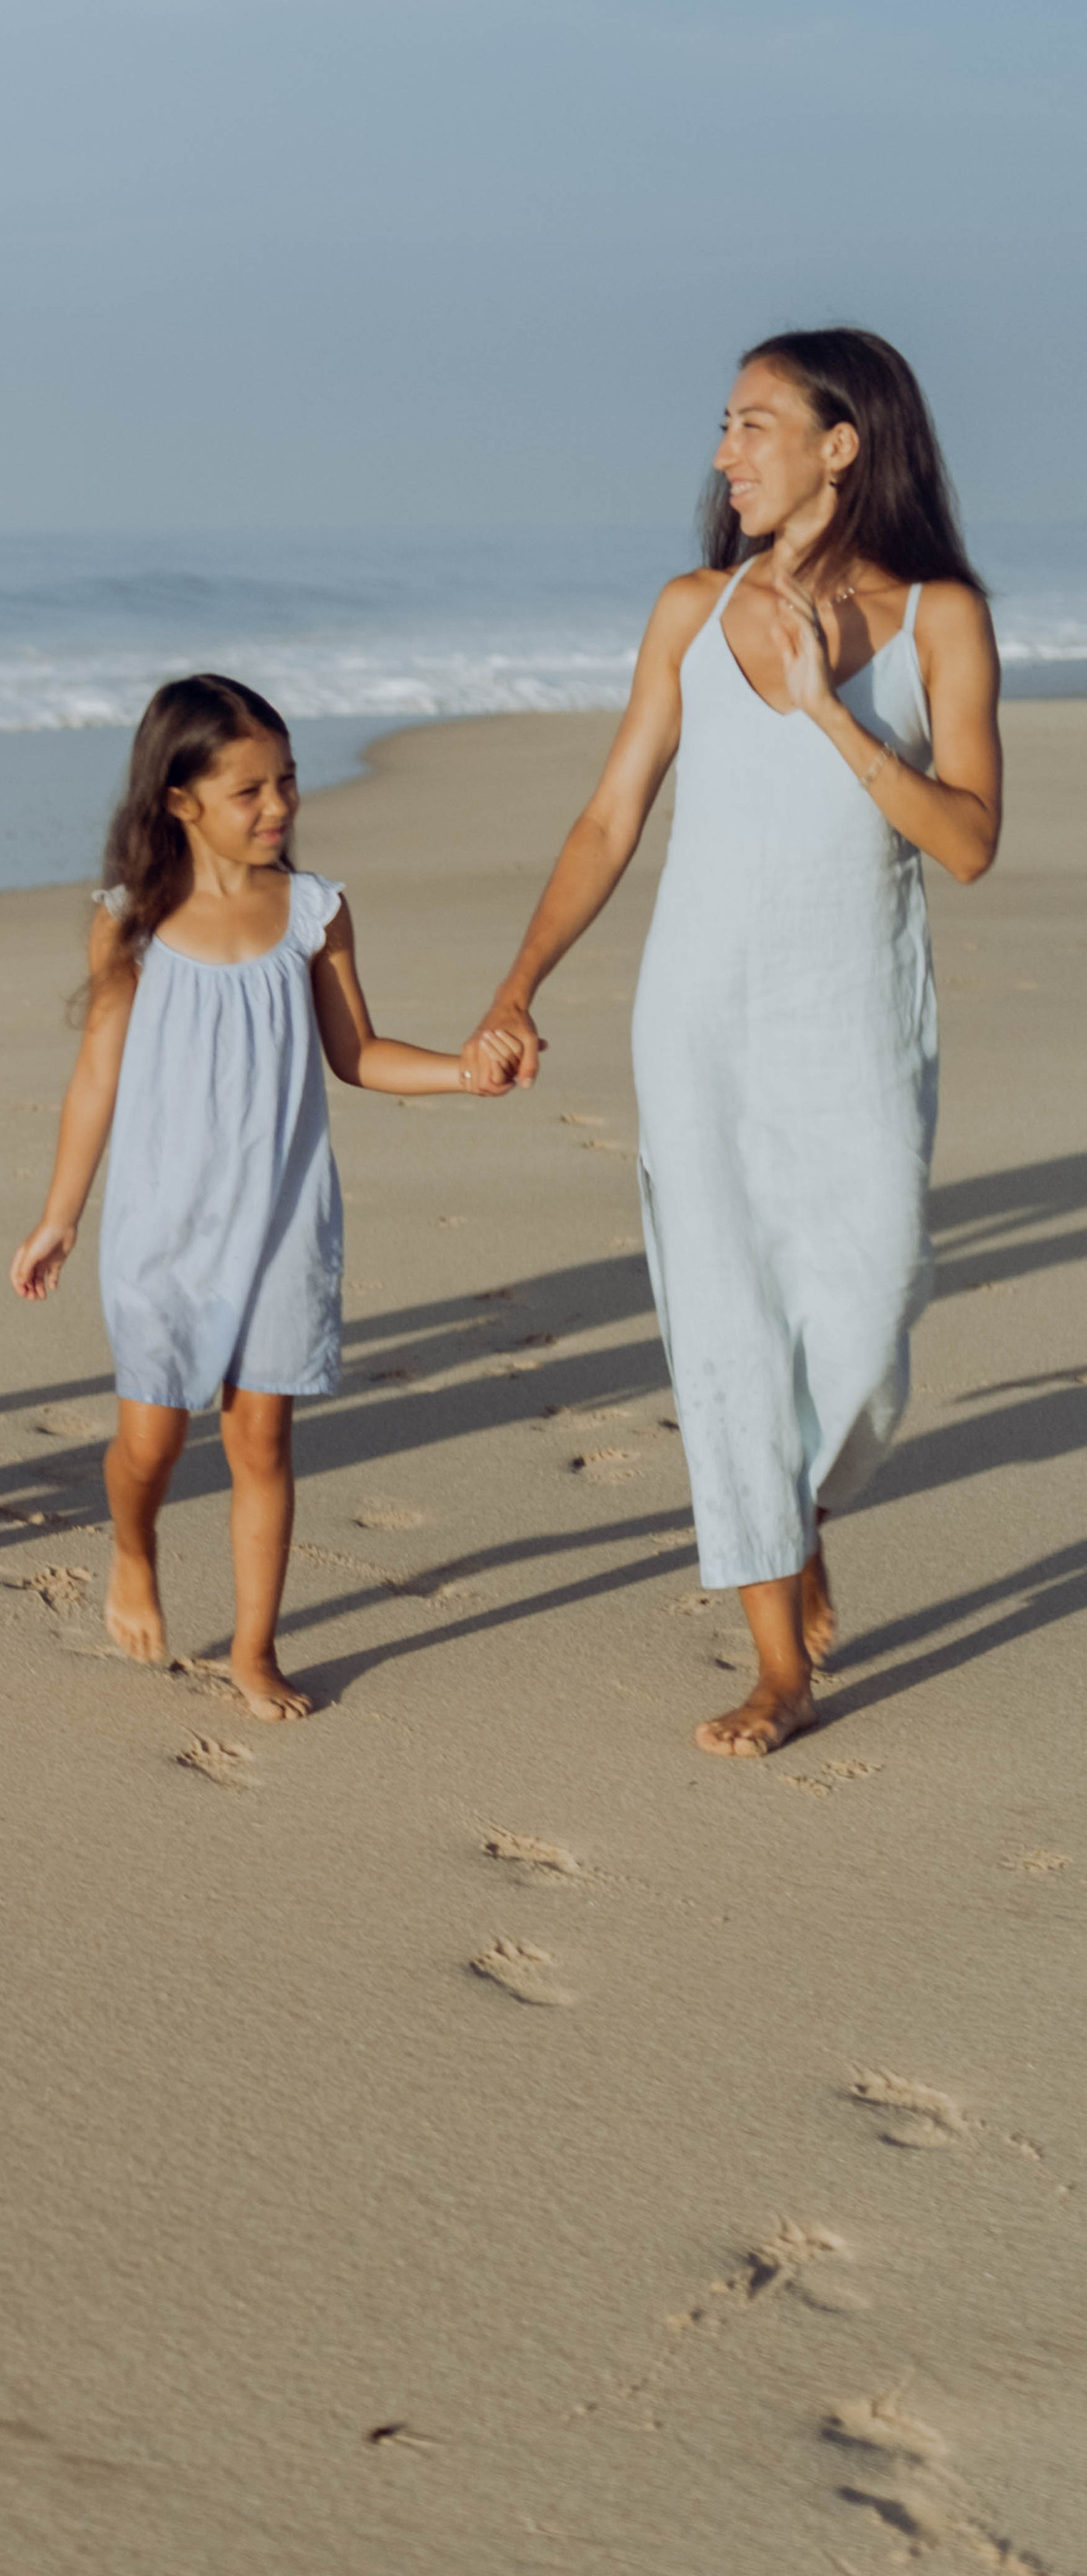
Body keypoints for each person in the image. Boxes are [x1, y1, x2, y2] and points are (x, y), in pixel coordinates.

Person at [463, 328, 1002, 1760]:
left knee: (872, 1314)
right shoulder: (690, 612)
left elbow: (967, 844)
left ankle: (798, 1511)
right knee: (727, 1328)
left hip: (856, 1022)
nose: (723, 452)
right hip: (695, 1021)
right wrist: (518, 985)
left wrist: (831, 714)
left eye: (752, 424)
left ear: (842, 444)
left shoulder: (937, 619)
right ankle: (776, 1666)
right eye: (723, 424)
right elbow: (610, 818)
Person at [12, 675, 505, 1718]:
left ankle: (253, 1648)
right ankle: (132, 1545)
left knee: (261, 1444)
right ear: (179, 800)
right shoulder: (129, 925)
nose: (278, 805)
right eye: (249, 790)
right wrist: (60, 1216)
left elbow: (356, 1053)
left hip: (284, 1224)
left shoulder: (314, 912)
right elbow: (95, 1077)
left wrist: (462, 1072)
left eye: (286, 780)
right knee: (149, 1443)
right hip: (162, 1228)